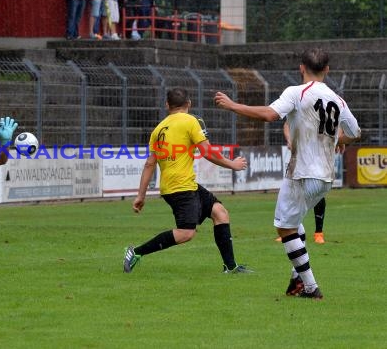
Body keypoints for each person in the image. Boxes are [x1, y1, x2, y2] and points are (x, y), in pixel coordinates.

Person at [214, 48, 361, 299]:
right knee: (294, 225)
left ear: (301, 67)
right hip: (326, 177)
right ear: (327, 70)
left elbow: (270, 115)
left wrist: (233, 105)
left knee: (285, 229)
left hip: (301, 173)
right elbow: (356, 132)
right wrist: (339, 140)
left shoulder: (296, 92)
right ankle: (296, 284)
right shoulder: (338, 99)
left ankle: (311, 287)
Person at [123, 87, 252, 274]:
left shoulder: (158, 129)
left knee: (220, 213)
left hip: (181, 185)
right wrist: (232, 164)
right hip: (180, 188)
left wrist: (140, 196)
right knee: (186, 233)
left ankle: (230, 267)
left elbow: (149, 164)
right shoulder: (192, 121)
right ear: (189, 104)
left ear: (167, 105)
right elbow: (206, 152)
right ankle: (135, 252)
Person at [279, 121, 327, 244]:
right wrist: (290, 140)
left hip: (317, 158)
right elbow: (287, 124)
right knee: (292, 194)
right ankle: (289, 229)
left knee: (317, 194)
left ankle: (318, 232)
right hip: (298, 156)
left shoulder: (322, 109)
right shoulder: (300, 106)